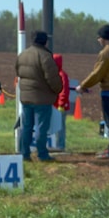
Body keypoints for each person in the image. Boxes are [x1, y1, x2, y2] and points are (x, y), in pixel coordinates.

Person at [76, 25, 109, 159]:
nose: (98, 40)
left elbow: (97, 74)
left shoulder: (105, 53)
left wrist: (83, 85)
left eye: (98, 38)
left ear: (103, 38)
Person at [15, 31, 62, 161]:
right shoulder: (45, 56)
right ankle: (42, 154)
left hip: (25, 97)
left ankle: (24, 154)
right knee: (42, 127)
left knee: (26, 127)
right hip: (42, 98)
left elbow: (18, 72)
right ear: (45, 41)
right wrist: (58, 89)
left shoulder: (22, 55)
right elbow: (52, 78)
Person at [53, 54, 70, 151]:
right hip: (55, 105)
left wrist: (61, 103)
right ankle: (57, 144)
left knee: (60, 126)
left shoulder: (62, 75)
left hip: (60, 106)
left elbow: (64, 90)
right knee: (56, 125)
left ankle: (60, 145)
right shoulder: (55, 75)